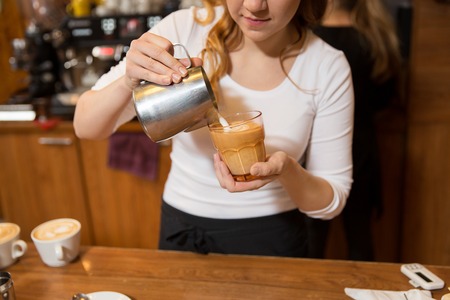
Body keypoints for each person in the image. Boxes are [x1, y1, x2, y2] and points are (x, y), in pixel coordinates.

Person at [73, 0, 354, 258]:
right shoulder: (184, 29)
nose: (254, 5)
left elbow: (332, 200)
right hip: (181, 231)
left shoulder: (326, 66)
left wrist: (288, 171)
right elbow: (85, 126)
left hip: (273, 239)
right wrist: (128, 81)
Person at [305, 0, 402, 260]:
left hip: (315, 152)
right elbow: (385, 97)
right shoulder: (376, 38)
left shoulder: (309, 40)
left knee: (312, 240)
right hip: (362, 151)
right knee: (360, 239)